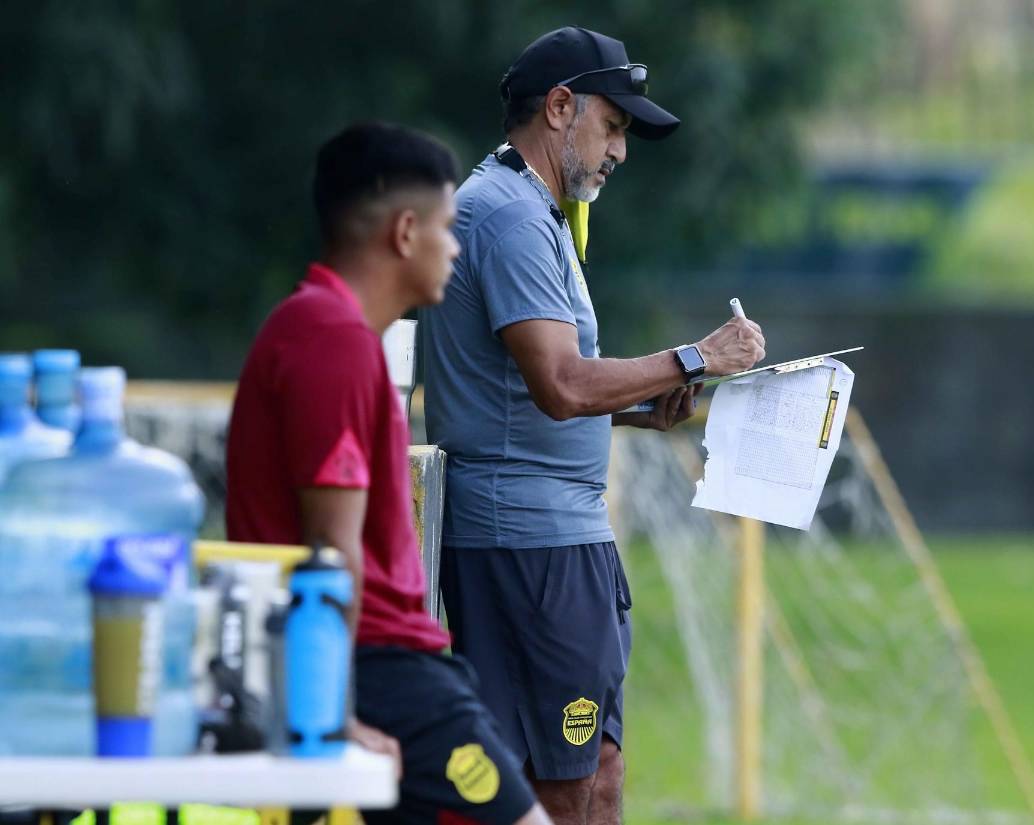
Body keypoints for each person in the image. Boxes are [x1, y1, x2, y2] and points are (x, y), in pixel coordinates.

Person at [420, 27, 767, 825]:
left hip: (559, 539)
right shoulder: (508, 215)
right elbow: (562, 384)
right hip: (528, 546)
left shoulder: (530, 207)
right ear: (560, 106)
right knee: (558, 787)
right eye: (612, 126)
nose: (619, 150)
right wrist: (695, 355)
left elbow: (531, 392)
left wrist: (646, 408)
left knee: (596, 775)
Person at [225, 122, 551, 825]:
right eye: (448, 227)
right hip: (381, 671)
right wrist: (333, 713)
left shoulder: (328, 329)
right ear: (405, 232)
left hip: (383, 666)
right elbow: (330, 547)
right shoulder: (332, 339)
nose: (457, 248)